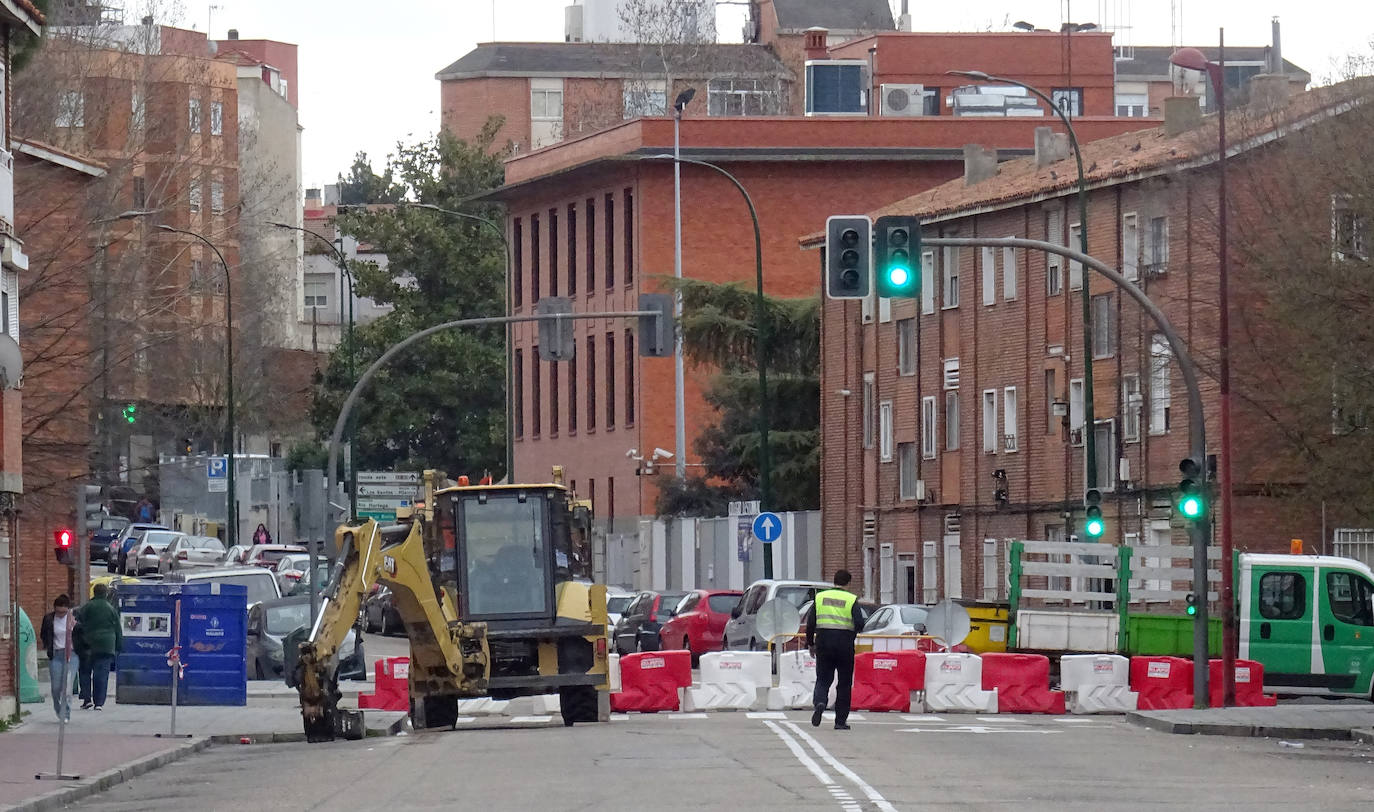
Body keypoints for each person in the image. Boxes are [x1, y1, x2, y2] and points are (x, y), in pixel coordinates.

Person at [804, 570, 867, 731]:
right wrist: (851, 631)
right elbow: (860, 623)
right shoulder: (851, 599)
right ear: (848, 583)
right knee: (844, 684)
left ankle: (820, 702)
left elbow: (810, 623)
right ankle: (840, 721)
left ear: (834, 581)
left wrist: (811, 644)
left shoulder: (820, 598)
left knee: (823, 679)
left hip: (824, 643)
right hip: (845, 645)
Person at [75, 583, 123, 711]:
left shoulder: (87, 607)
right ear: (106, 593)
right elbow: (118, 629)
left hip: (88, 645)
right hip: (106, 646)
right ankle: (99, 703)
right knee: (101, 675)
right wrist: (119, 646)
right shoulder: (111, 609)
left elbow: (77, 624)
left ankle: (86, 699)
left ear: (94, 593)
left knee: (85, 672)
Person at [39, 595, 78, 722]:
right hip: (56, 654)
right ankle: (58, 709)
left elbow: (84, 634)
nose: (61, 615)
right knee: (56, 687)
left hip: (71, 654)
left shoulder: (74, 618)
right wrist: (48, 646)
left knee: (67, 686)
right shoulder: (49, 618)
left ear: (68, 609)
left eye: (63, 612)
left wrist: (76, 626)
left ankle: (65, 713)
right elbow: (44, 633)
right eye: (58, 612)